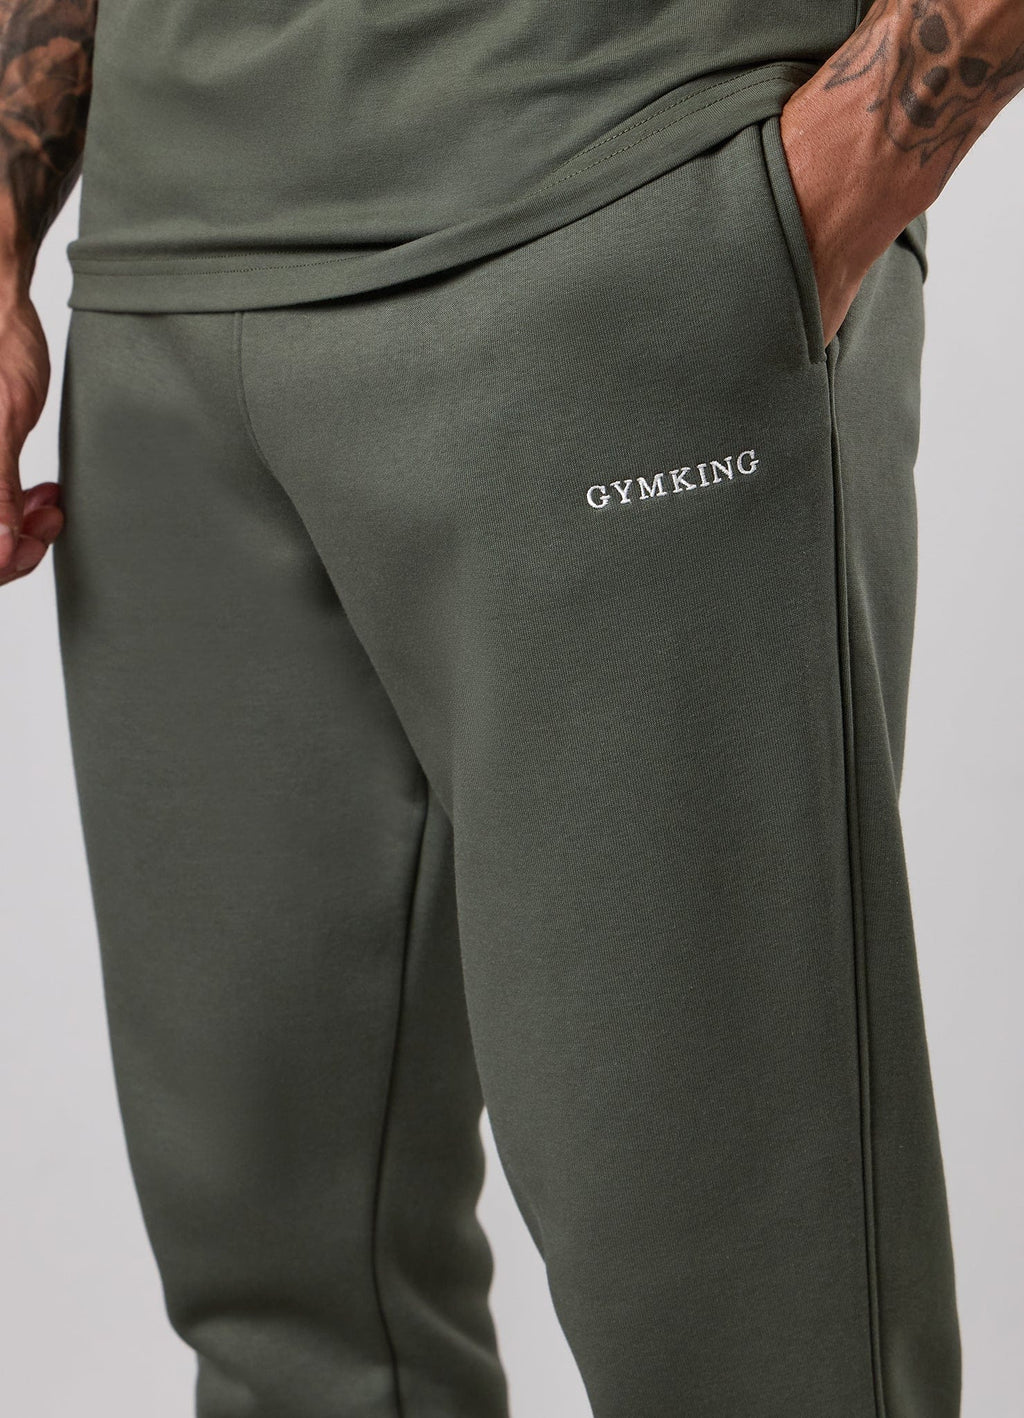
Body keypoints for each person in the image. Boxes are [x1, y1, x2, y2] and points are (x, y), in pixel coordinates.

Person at [1, 1, 1020, 1414]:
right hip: (166, 285)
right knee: (290, 1317)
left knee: (751, 1328)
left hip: (613, 205)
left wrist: (845, 170)